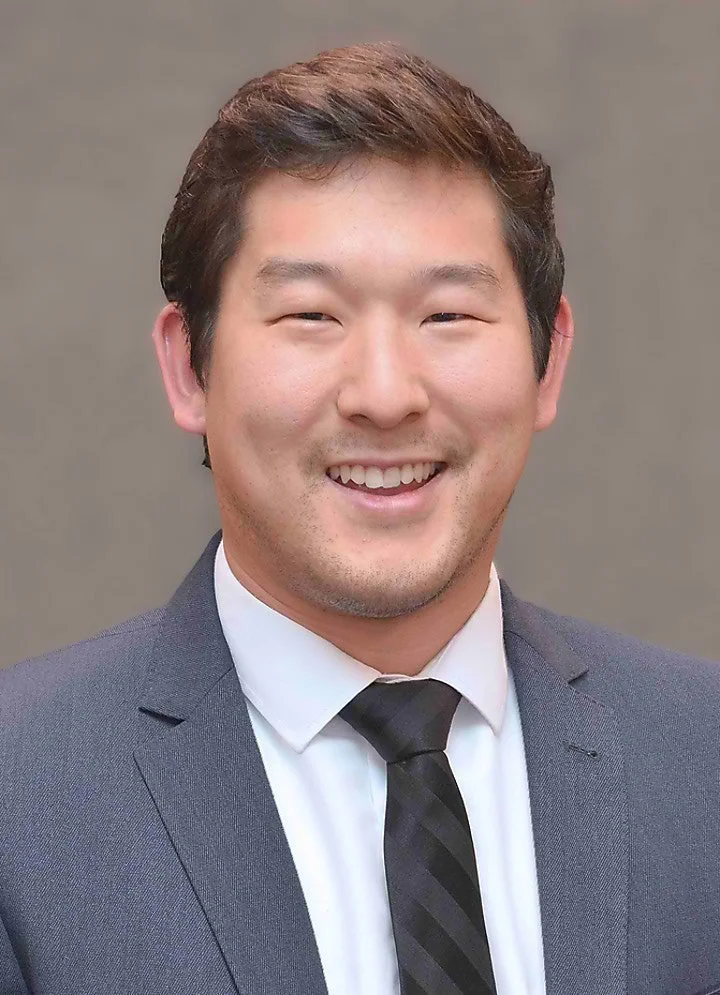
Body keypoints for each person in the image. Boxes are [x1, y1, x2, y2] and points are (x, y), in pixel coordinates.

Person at [1, 40, 718, 995]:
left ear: (547, 362)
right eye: (311, 316)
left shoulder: (700, 759)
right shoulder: (22, 795)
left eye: (448, 316)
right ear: (189, 367)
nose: (385, 395)